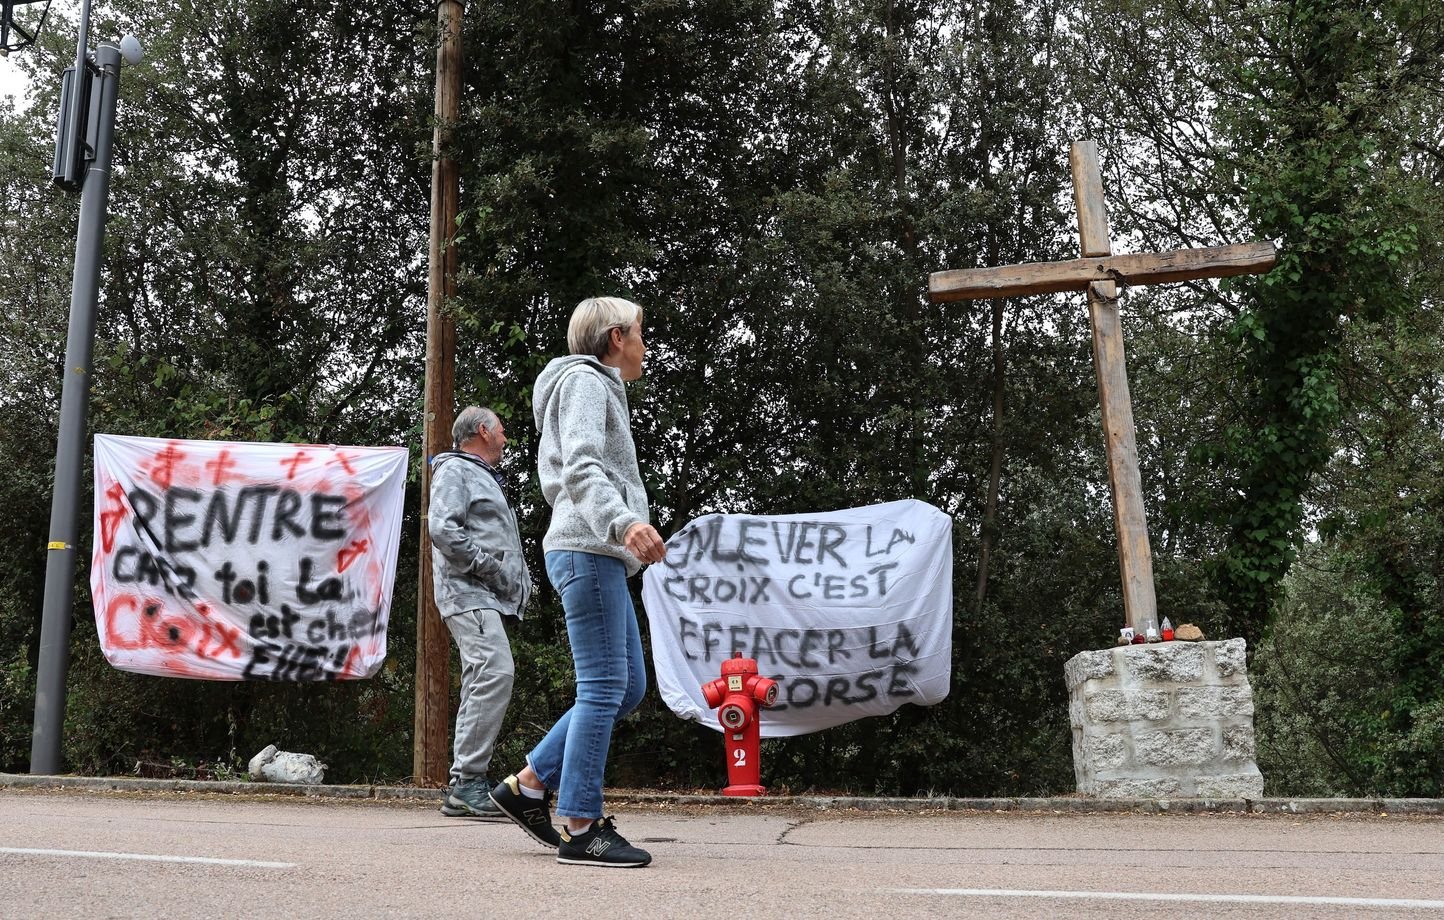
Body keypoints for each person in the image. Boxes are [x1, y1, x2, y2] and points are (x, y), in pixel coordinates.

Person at [489, 296, 666, 868]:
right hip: (588, 549)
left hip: (597, 554)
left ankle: (528, 784)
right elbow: (583, 465)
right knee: (602, 686)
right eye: (641, 332)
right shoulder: (586, 382)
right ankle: (582, 824)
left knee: (628, 686)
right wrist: (625, 522)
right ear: (616, 337)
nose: (646, 344)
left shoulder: (592, 386)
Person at [428, 405, 531, 818]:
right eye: (501, 430)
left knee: (482, 675)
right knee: (495, 670)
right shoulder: (456, 470)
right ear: (484, 431)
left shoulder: (478, 474)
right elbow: (442, 529)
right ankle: (467, 782)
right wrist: (489, 566)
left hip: (478, 592)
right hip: (467, 591)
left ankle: (465, 784)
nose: (505, 438)